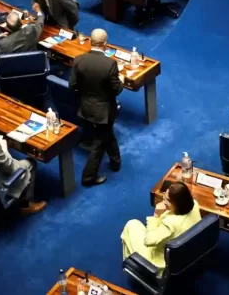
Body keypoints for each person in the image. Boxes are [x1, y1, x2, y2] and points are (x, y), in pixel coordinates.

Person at [71, 29, 123, 186]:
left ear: (90, 42)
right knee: (98, 145)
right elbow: (117, 89)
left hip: (86, 108)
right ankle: (88, 178)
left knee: (106, 133)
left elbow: (72, 85)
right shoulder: (110, 64)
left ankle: (116, 162)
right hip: (104, 111)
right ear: (105, 44)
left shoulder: (79, 60)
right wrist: (120, 79)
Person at [121, 181, 202, 268]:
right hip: (185, 253)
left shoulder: (170, 224)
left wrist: (156, 215)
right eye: (165, 196)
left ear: (178, 204)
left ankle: (132, 265)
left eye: (168, 200)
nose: (163, 199)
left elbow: (148, 241)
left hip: (160, 261)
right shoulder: (194, 204)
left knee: (131, 224)